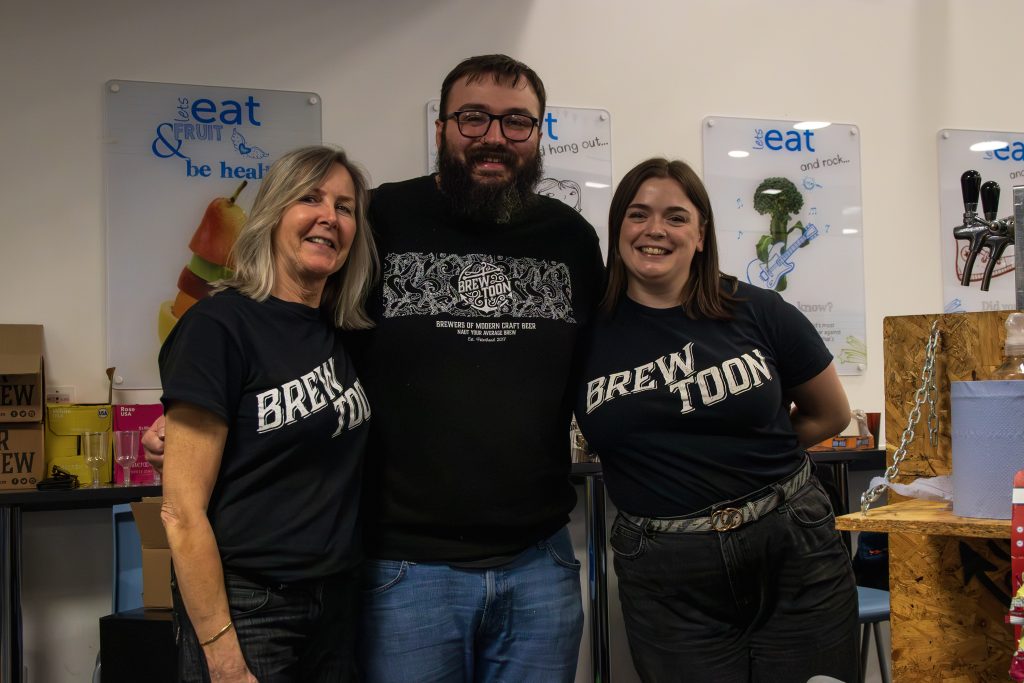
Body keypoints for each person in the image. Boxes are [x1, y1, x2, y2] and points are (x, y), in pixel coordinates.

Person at [348, 54, 604, 682]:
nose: (494, 137)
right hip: (405, 568)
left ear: (539, 134)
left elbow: (613, 360)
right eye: (474, 118)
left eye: (517, 122)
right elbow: (296, 329)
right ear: (441, 127)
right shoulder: (378, 220)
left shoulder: (569, 237)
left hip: (539, 561)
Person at [575, 158, 858, 682]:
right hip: (668, 574)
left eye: (676, 217)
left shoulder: (757, 309)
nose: (655, 229)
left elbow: (831, 414)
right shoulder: (583, 333)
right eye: (638, 215)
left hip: (794, 549)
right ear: (617, 230)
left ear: (701, 235)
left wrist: (753, 455)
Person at [157, 145, 377, 683]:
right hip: (248, 608)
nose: (330, 216)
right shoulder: (218, 326)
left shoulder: (343, 336)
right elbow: (181, 513)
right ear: (274, 212)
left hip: (337, 604)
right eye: (310, 198)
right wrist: (224, 660)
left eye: (345, 207)